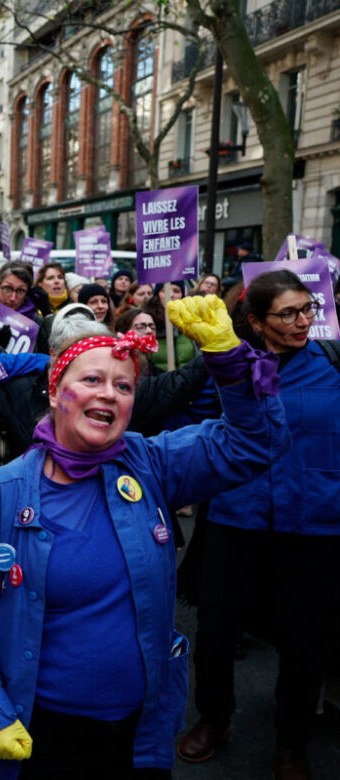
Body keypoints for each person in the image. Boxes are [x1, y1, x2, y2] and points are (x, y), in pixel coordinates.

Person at [0, 296, 289, 780]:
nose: (109, 394)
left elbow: (257, 445)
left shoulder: (151, 464)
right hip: (38, 737)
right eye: (91, 380)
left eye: (124, 386)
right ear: (53, 388)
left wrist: (230, 364)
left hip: (139, 735)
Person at [178, 270, 340, 779]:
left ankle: (292, 743)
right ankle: (215, 716)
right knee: (218, 632)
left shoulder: (334, 365)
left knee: (303, 642)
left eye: (308, 308)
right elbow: (193, 426)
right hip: (237, 518)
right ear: (256, 321)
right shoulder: (229, 363)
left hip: (314, 526)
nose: (303, 321)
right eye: (288, 313)